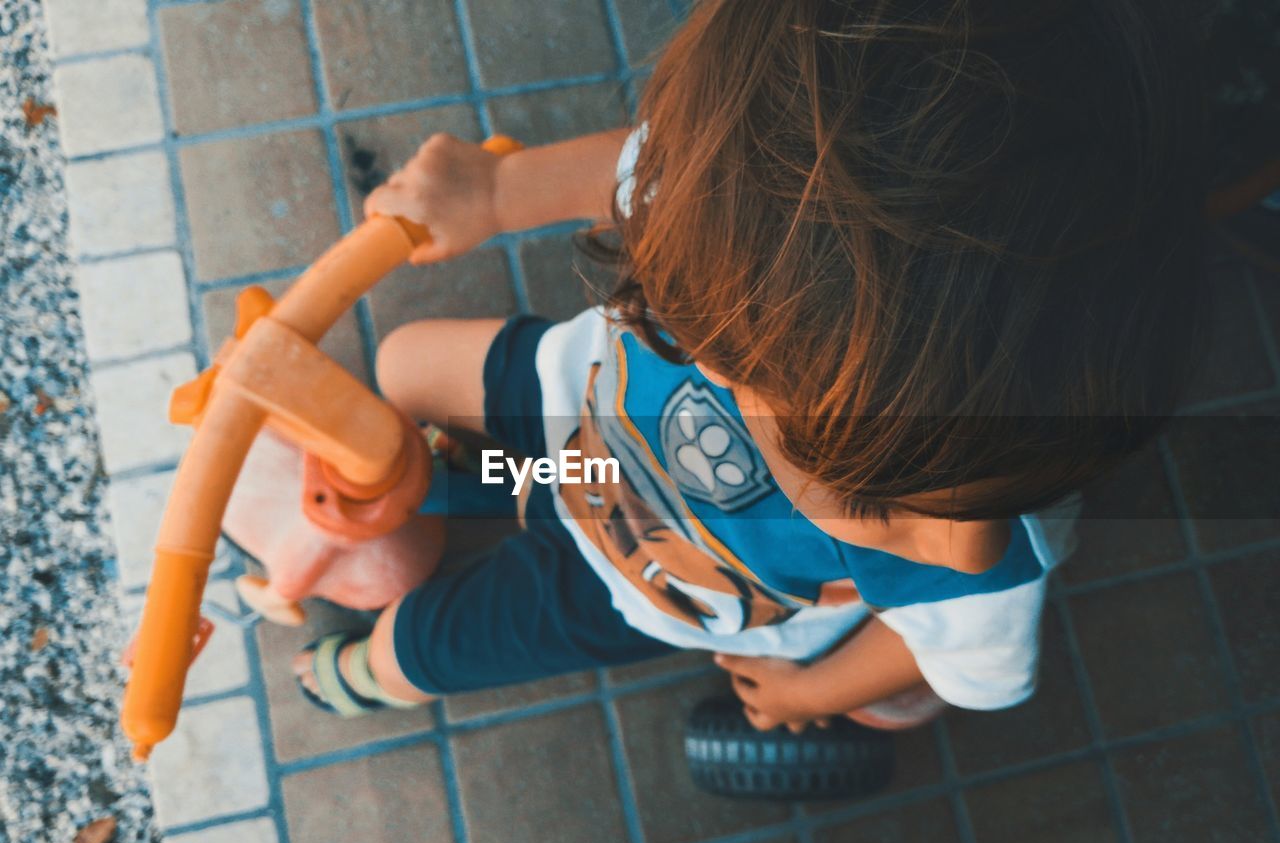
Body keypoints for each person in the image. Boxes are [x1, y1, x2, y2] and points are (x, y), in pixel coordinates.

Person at [291, 0, 1206, 733]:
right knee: (408, 363)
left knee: (421, 648)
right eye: (690, 323)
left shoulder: (965, 538)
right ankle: (487, 476)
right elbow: (659, 169)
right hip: (581, 406)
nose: (712, 384)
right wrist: (501, 191)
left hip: (650, 578)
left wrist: (809, 693)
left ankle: (366, 674)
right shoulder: (759, 186)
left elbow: (957, 656)